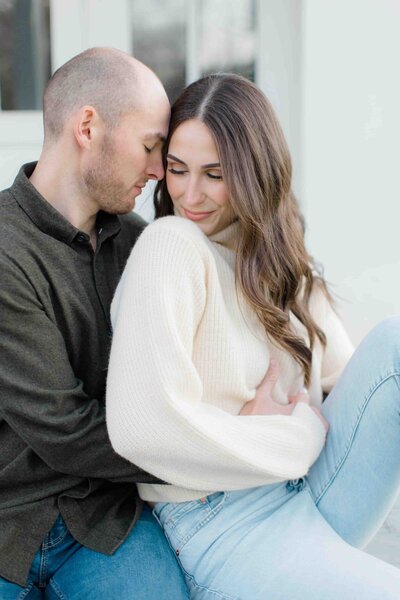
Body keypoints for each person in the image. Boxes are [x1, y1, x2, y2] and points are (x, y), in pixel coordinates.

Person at [106, 73, 400, 599]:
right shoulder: (170, 246)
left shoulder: (274, 259)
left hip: (305, 490)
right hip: (221, 523)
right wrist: (294, 435)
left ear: (254, 172)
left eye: (214, 174)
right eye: (176, 169)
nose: (188, 194)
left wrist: (298, 421)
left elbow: (354, 382)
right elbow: (140, 431)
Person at [0, 47, 189, 599]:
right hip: (9, 519)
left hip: (104, 520)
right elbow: (63, 428)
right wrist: (205, 445)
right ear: (88, 126)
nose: (158, 171)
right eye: (151, 146)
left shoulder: (138, 242)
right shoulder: (5, 250)